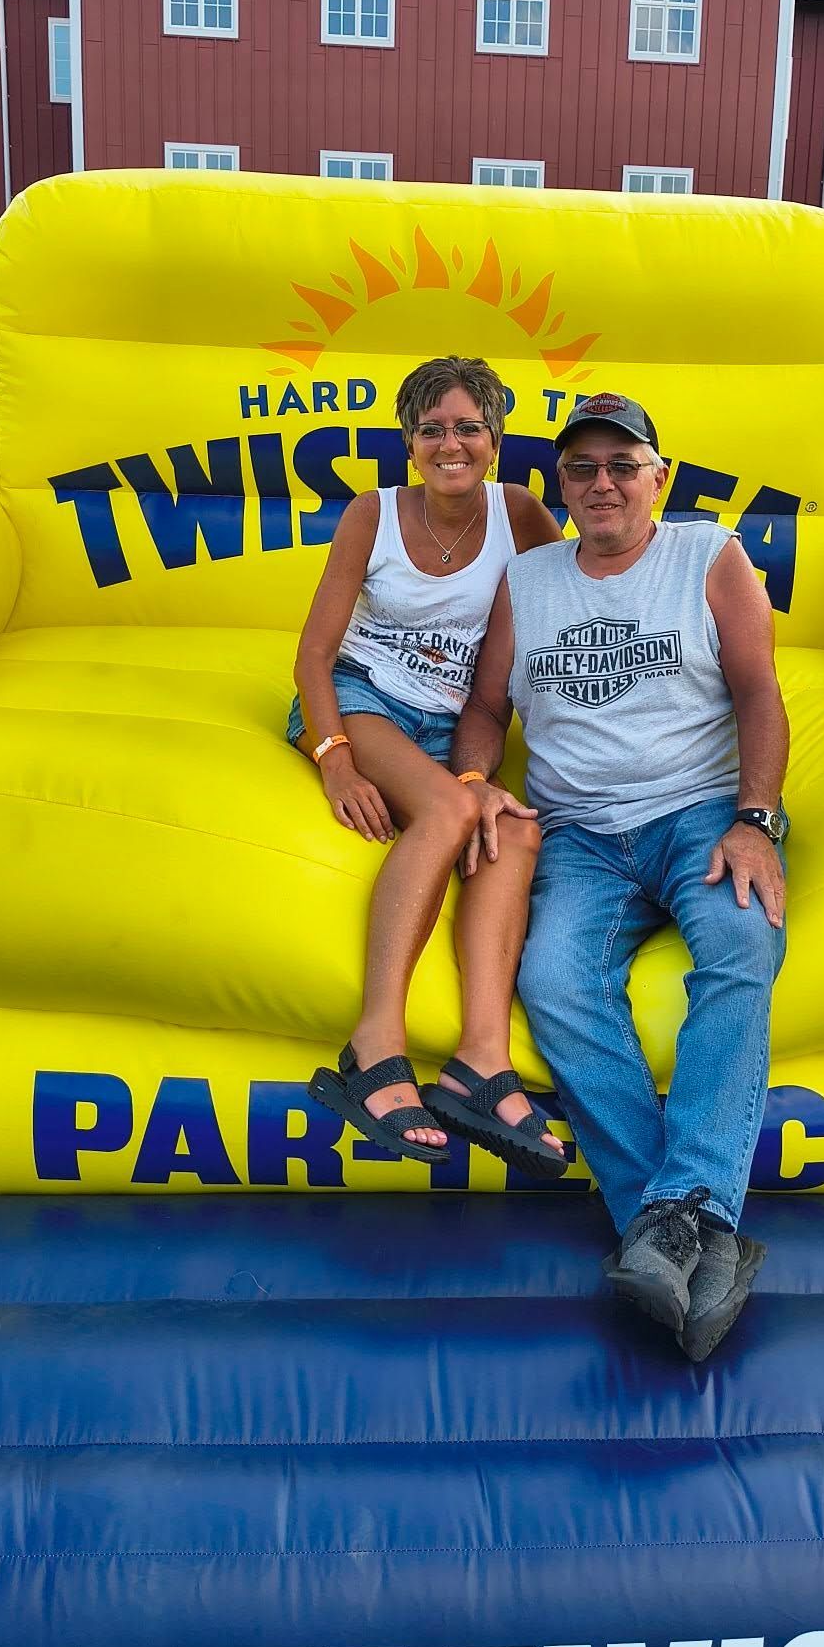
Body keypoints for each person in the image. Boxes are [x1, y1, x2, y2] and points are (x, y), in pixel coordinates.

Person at [451, 392, 789, 1361]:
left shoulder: (707, 555)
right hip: (581, 833)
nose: (602, 483)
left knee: (739, 940)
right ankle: (684, 1223)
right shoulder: (530, 577)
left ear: (659, 475)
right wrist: (474, 783)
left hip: (700, 814)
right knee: (554, 977)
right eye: (582, 468)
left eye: (622, 463)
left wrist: (756, 820)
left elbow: (761, 692)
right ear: (561, 485)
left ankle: (673, 1216)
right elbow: (483, 705)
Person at [293, 356, 567, 1175]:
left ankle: (480, 1061)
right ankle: (374, 1047)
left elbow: (579, 600)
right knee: (449, 814)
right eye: (431, 429)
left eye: (468, 428)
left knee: (513, 833)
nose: (450, 443)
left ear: (496, 438)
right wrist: (335, 758)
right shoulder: (370, 515)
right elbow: (312, 655)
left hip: (454, 729)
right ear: (409, 442)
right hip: (364, 699)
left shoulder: (520, 514)